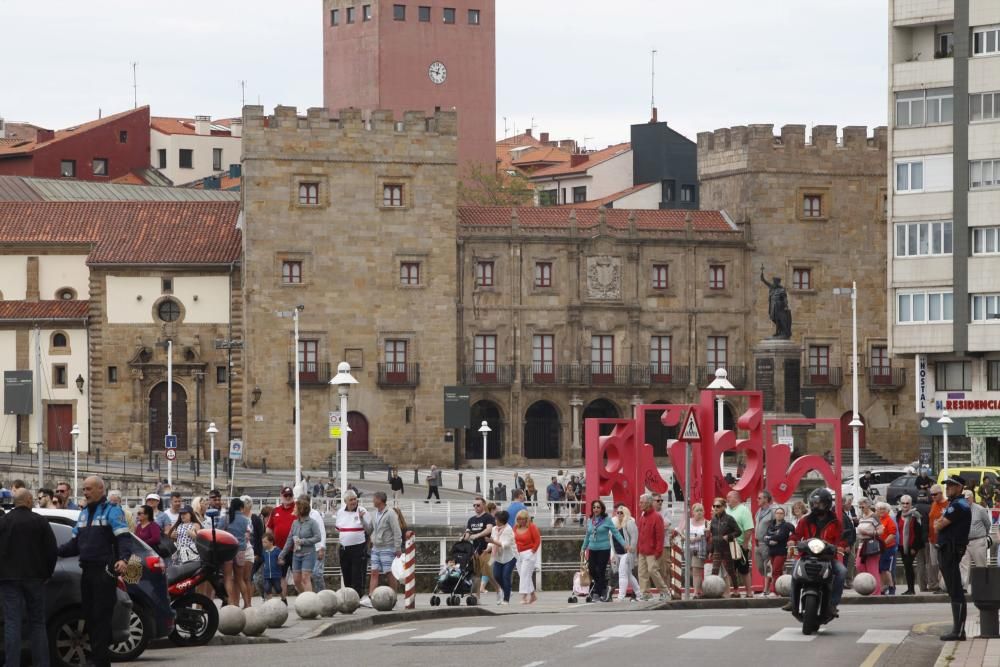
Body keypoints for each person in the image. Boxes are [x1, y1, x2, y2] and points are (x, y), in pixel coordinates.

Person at [56, 476, 132, 667]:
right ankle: (98, 658)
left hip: (104, 572)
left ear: (100, 489)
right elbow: (74, 544)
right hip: (87, 571)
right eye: (84, 489)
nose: (85, 492)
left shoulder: (112, 511)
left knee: (101, 616)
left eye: (89, 489)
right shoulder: (82, 514)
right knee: (89, 616)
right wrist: (53, 552)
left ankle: (100, 660)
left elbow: (124, 538)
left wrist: (123, 559)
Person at [0, 488, 58, 667]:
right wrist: (47, 573)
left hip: (8, 579)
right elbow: (51, 550)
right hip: (35, 578)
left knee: (12, 623)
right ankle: (42, 663)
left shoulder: (4, 522)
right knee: (38, 623)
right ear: (28, 501)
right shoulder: (40, 522)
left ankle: (12, 664)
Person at [781, 489, 847, 616]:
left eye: (819, 503)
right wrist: (791, 541)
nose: (816, 506)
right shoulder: (805, 520)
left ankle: (833, 604)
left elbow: (841, 539)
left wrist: (841, 546)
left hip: (827, 556)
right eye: (814, 503)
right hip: (806, 555)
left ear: (827, 504)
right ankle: (792, 600)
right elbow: (796, 534)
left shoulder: (835, 522)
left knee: (842, 571)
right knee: (795, 569)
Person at [935, 475, 971, 641]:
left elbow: (939, 525)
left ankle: (959, 631)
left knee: (956, 590)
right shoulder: (954, 504)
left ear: (959, 488)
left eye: (951, 485)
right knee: (953, 589)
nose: (947, 487)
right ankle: (957, 630)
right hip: (947, 548)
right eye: (947, 485)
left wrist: (939, 522)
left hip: (951, 549)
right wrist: (939, 522)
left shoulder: (958, 505)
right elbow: (937, 524)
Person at [580, 499, 625, 602]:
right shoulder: (590, 520)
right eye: (594, 507)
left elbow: (616, 533)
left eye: (598, 507)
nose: (596, 509)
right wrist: (583, 548)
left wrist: (624, 544)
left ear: (602, 509)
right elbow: (587, 535)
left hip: (604, 549)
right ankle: (605, 587)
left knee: (600, 570)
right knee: (591, 569)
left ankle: (597, 592)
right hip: (592, 548)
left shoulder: (607, 520)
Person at [365, 491, 402, 606]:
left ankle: (394, 597)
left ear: (380, 500)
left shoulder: (390, 514)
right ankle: (371, 597)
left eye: (374, 498)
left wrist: (397, 547)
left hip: (387, 547)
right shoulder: (375, 513)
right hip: (376, 547)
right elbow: (370, 528)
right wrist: (362, 520)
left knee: (389, 572)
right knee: (374, 572)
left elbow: (397, 531)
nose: (372, 501)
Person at [279, 497, 322, 595]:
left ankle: (310, 601)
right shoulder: (294, 523)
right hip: (296, 554)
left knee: (305, 577)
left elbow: (318, 537)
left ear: (301, 510)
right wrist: (281, 554)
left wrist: (303, 541)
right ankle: (304, 598)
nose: (293, 509)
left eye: (295, 508)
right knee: (296, 580)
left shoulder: (312, 523)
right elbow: (289, 540)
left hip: (308, 554)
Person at [335, 489, 369, 597]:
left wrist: (362, 519)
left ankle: (358, 596)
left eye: (355, 499)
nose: (354, 501)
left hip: (358, 547)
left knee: (357, 574)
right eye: (351, 500)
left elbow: (370, 529)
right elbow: (338, 528)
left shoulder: (362, 510)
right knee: (346, 573)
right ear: (346, 501)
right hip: (344, 548)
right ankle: (349, 597)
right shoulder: (340, 512)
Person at [266, 487, 297, 603]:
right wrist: (268, 545)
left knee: (298, 576)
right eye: (286, 495)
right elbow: (269, 529)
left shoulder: (297, 509)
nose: (288, 498)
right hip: (280, 549)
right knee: (281, 576)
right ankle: (283, 599)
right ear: (281, 496)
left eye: (290, 495)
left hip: (295, 549)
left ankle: (305, 599)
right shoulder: (275, 511)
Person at [636, 494, 670, 601]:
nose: (639, 504)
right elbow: (640, 533)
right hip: (642, 550)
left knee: (652, 570)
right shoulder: (642, 517)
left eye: (641, 502)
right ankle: (645, 593)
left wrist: (658, 551)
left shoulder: (657, 517)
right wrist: (639, 548)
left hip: (652, 551)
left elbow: (660, 536)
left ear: (648, 503)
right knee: (642, 572)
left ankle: (664, 591)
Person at [707, 497, 742, 597]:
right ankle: (713, 591)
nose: (715, 508)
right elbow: (713, 536)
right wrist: (711, 550)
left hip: (727, 548)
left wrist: (729, 536)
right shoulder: (713, 520)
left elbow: (738, 531)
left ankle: (736, 590)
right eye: (714, 506)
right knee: (714, 570)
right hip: (717, 548)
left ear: (724, 507)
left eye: (718, 506)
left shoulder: (729, 519)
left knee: (731, 570)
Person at [465, 496, 498, 601]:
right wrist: (464, 537)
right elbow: (468, 532)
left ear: (483, 505)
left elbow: (489, 530)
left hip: (487, 549)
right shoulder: (471, 520)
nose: (476, 507)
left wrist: (477, 535)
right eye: (474, 505)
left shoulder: (488, 517)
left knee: (488, 573)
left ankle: (500, 590)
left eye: (478, 505)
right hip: (475, 550)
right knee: (476, 574)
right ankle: (476, 597)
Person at [959, 489, 991, 592]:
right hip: (965, 541)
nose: (965, 501)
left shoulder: (980, 509)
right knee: (964, 565)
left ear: (972, 498)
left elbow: (988, 524)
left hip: (978, 541)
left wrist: (983, 536)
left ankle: (983, 587)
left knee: (981, 564)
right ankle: (963, 587)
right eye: (963, 499)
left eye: (967, 499)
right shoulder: (960, 510)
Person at [724, 490, 754, 598]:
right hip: (728, 545)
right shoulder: (726, 510)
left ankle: (749, 592)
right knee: (730, 570)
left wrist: (746, 543)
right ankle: (735, 591)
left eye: (729, 497)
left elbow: (749, 529)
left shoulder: (744, 510)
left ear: (736, 498)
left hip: (740, 544)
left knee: (744, 569)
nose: (727, 500)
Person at [896, 495, 924, 596]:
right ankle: (909, 589)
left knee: (908, 565)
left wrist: (914, 547)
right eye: (903, 503)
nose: (905, 505)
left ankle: (911, 589)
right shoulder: (898, 515)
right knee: (906, 566)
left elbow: (919, 533)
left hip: (912, 545)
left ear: (911, 504)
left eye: (907, 503)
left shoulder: (915, 515)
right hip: (901, 545)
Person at [611, 504, 641, 601]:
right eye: (618, 512)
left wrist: (631, 548)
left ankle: (621, 596)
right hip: (618, 553)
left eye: (621, 512)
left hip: (626, 553)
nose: (619, 514)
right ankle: (639, 594)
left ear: (626, 513)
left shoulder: (629, 523)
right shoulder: (614, 524)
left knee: (622, 573)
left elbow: (634, 537)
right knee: (629, 575)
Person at [223, 498, 249, 606]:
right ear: (241, 508)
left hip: (227, 551)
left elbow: (220, 532)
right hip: (241, 550)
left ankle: (230, 603)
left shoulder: (225, 518)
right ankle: (247, 604)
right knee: (240, 579)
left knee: (228, 578)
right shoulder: (245, 520)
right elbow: (247, 534)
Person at [764, 506, 795, 596]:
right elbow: (765, 538)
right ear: (775, 514)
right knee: (776, 571)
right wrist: (771, 540)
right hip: (772, 551)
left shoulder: (786, 525)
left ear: (784, 515)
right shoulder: (771, 526)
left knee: (776, 571)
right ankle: (781, 590)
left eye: (781, 513)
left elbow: (782, 536)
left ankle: (774, 590)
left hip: (781, 551)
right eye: (777, 513)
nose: (779, 515)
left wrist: (770, 538)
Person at [488, 510, 516, 605]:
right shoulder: (494, 529)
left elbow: (506, 545)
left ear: (501, 520)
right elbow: (492, 542)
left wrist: (492, 541)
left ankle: (506, 599)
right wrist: (488, 547)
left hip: (510, 556)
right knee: (496, 575)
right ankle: (508, 590)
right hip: (498, 556)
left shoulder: (508, 529)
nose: (495, 520)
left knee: (505, 576)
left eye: (496, 519)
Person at [513, 509, 540, 604]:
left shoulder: (532, 527)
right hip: (518, 553)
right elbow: (513, 539)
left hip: (529, 552)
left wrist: (533, 551)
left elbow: (537, 540)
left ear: (526, 519)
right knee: (524, 575)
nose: (521, 520)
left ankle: (523, 596)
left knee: (524, 574)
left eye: (523, 518)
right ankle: (532, 595)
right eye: (519, 518)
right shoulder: (515, 527)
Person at [241, 495, 264, 604]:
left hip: (253, 553)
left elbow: (260, 537)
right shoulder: (238, 518)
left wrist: (258, 553)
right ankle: (246, 602)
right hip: (240, 552)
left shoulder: (255, 519)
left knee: (248, 578)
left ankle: (248, 603)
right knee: (244, 578)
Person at [753, 490, 776, 597]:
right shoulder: (758, 511)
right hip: (757, 543)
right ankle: (767, 587)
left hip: (766, 543)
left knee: (767, 566)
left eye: (759, 498)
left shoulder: (772, 512)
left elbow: (776, 526)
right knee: (760, 567)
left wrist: (772, 539)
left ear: (766, 499)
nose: (757, 500)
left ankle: (766, 590)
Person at [855, 512, 882, 597]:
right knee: (859, 565)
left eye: (863, 506)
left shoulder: (874, 516)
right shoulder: (861, 517)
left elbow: (880, 530)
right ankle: (867, 587)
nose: (861, 508)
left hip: (870, 543)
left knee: (873, 568)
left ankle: (876, 592)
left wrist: (868, 533)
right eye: (860, 507)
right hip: (861, 544)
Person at [875, 501, 898, 595]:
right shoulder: (878, 520)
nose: (881, 511)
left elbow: (892, 534)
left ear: (887, 510)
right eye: (880, 509)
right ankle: (882, 588)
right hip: (880, 548)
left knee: (886, 569)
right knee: (880, 569)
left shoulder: (889, 520)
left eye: (883, 509)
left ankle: (891, 587)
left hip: (888, 548)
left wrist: (883, 544)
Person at [307, 498, 328, 593]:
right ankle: (309, 596)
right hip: (305, 550)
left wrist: (322, 547)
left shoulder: (315, 515)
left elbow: (322, 531)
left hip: (317, 548)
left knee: (316, 574)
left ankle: (322, 594)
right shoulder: (297, 515)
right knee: (305, 575)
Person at [260, 531, 283, 602]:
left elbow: (282, 560)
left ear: (271, 542)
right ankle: (270, 603)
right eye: (262, 542)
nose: (263, 544)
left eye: (265, 542)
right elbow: (262, 560)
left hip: (276, 574)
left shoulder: (277, 550)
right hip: (267, 575)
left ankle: (283, 598)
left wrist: (281, 562)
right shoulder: (264, 552)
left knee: (278, 588)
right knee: (267, 588)